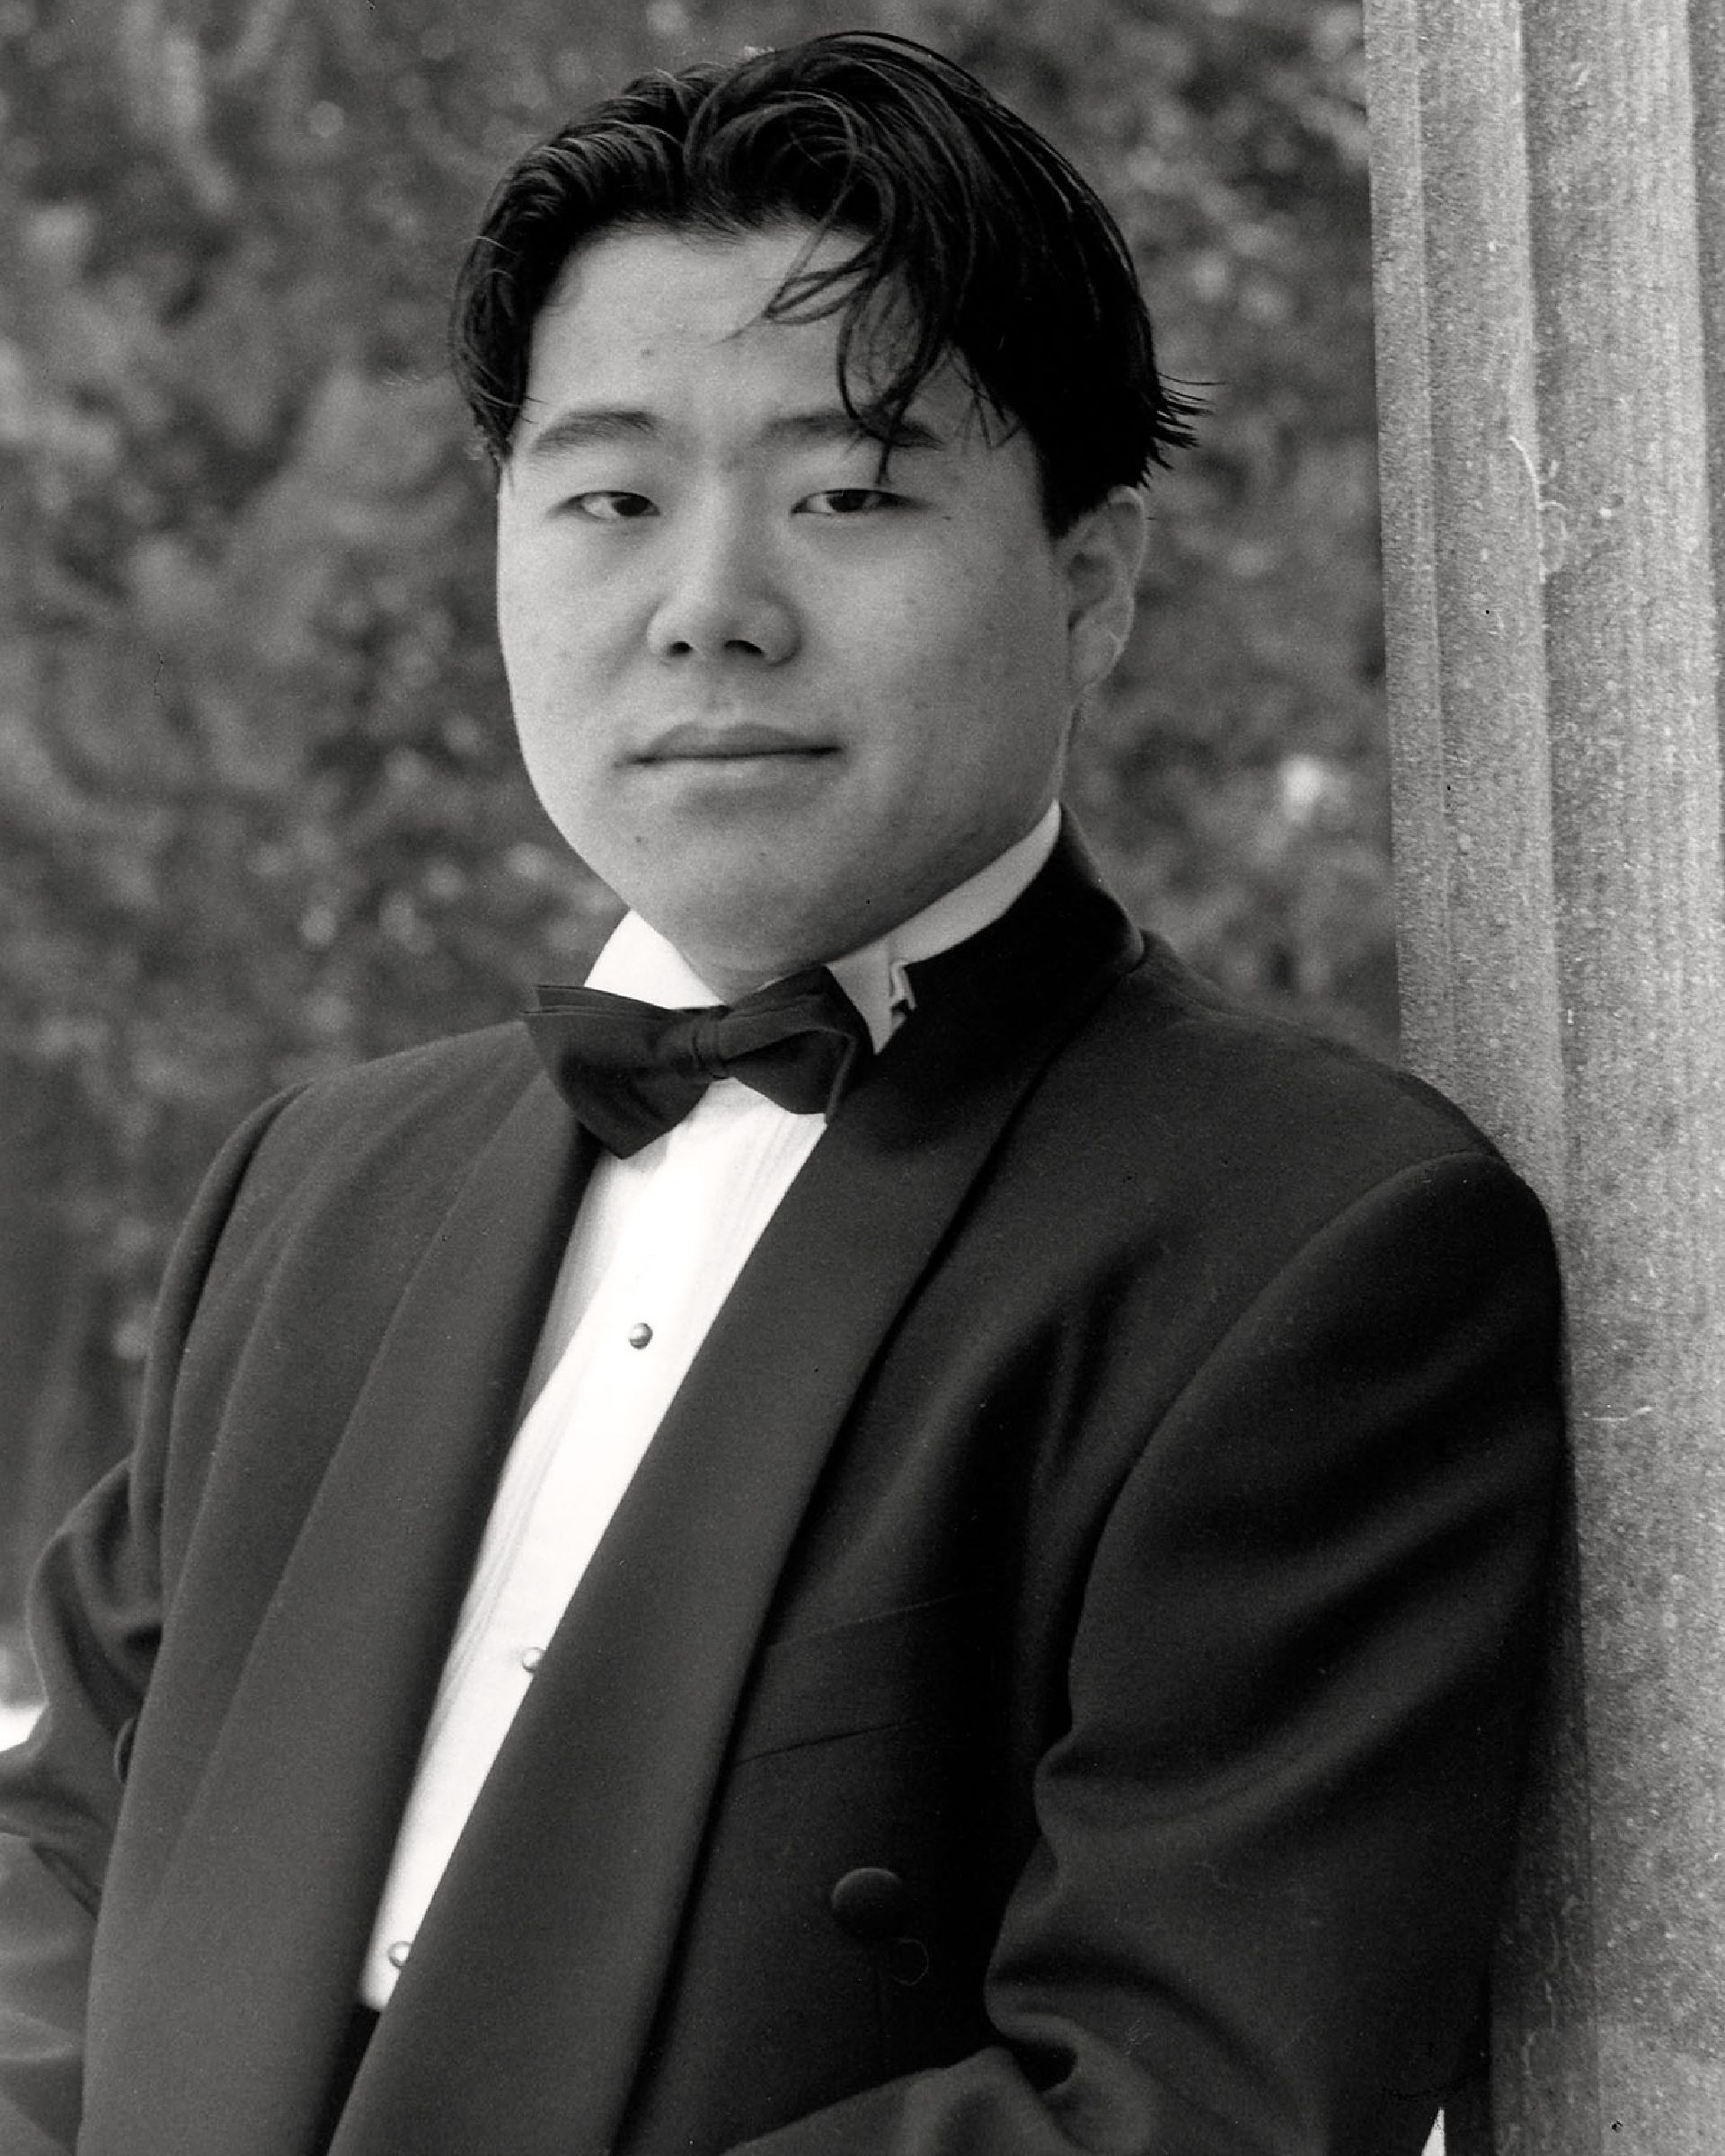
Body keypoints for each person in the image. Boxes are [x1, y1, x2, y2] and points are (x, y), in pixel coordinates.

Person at [0, 31, 1561, 2156]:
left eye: (847, 497)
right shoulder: (317, 1184)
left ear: (1093, 579)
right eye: (612, 500)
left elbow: (1180, 2098)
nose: (709, 610)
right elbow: (67, 1853)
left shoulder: (1314, 1244)